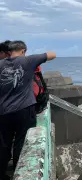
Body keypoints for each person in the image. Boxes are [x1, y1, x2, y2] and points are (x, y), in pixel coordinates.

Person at [0, 41, 56, 180]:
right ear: (23, 50)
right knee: (21, 141)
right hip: (24, 109)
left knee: (4, 144)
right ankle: (19, 171)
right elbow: (52, 54)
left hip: (4, 112)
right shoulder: (28, 61)